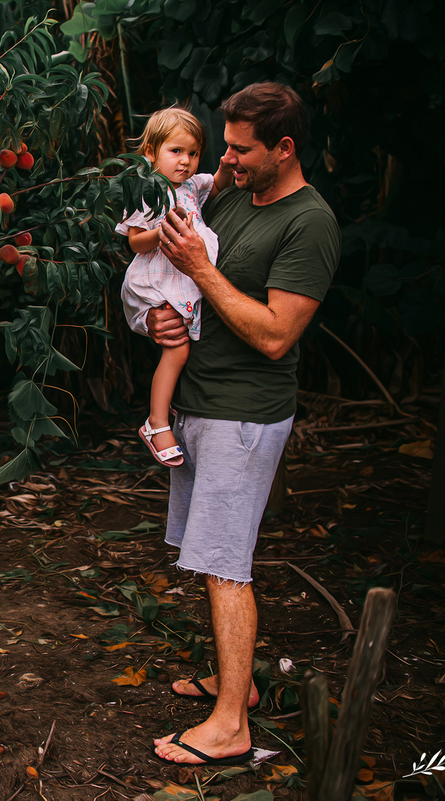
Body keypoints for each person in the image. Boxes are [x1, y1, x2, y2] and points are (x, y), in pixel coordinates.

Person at [145, 82, 340, 766]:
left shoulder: (309, 223)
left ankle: (231, 725)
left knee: (227, 565)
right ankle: (238, 685)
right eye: (223, 147)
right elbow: (179, 275)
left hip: (245, 416)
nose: (225, 160)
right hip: (202, 399)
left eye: (240, 149)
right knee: (205, 554)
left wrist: (199, 267)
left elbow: (276, 334)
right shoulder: (231, 190)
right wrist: (161, 315)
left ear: (284, 149)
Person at [116, 107, 232, 467]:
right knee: (177, 349)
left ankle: (164, 417)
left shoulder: (194, 186)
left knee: (182, 348)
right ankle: (156, 421)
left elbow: (220, 182)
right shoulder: (148, 191)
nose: (185, 161)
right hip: (159, 278)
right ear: (151, 152)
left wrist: (226, 165)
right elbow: (134, 242)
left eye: (193, 153)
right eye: (175, 151)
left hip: (184, 276)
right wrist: (164, 229)